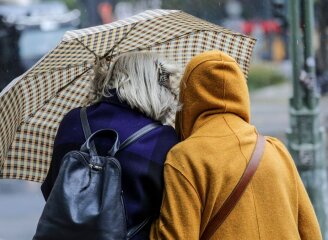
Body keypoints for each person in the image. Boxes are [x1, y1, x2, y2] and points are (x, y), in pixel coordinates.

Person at [150, 50, 322, 240]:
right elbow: (311, 232)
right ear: (241, 92)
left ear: (189, 98)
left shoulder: (185, 158)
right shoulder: (276, 150)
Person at [41, 52, 179, 239]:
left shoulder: (73, 120)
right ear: (154, 88)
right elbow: (168, 209)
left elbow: (52, 189)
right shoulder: (162, 138)